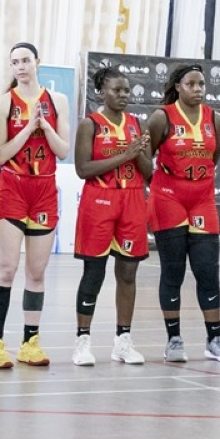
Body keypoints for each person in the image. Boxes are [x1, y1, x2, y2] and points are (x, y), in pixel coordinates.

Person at [0, 43, 71, 369]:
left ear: (38, 62)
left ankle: (30, 342)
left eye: (25, 60)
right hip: (13, 187)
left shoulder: (57, 102)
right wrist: (27, 127)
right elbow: (1, 154)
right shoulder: (1, 104)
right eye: (15, 62)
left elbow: (63, 150)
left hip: (44, 188)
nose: (20, 66)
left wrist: (45, 126)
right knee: (6, 269)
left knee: (36, 272)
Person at [146, 64, 220, 363]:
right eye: (191, 84)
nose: (198, 89)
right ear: (178, 86)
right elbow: (145, 160)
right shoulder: (162, 117)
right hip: (169, 197)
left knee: (207, 271)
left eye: (201, 84)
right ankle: (173, 339)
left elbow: (215, 157)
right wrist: (165, 185)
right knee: (173, 272)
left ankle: (214, 340)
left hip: (202, 198)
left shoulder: (216, 119)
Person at [70, 66, 154, 365]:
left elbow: (149, 174)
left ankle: (123, 341)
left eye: (126, 90)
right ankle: (82, 342)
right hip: (100, 199)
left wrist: (141, 154)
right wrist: (126, 155)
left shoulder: (136, 123)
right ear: (101, 92)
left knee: (128, 272)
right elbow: (83, 169)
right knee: (94, 272)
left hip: (132, 198)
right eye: (116, 90)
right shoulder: (90, 124)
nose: (123, 95)